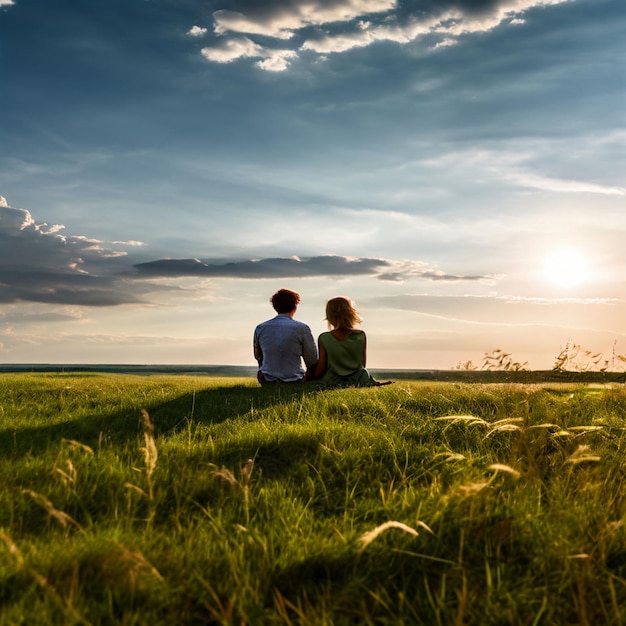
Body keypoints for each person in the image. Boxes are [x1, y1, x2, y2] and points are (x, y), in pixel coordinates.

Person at [313, 296, 391, 388]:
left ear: (329, 316)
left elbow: (321, 368)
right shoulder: (361, 335)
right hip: (360, 379)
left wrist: (310, 376)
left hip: (333, 379)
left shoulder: (324, 338)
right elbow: (362, 364)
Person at [253, 289, 318, 385]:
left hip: (268, 380)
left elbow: (258, 356)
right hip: (295, 380)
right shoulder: (302, 328)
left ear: (275, 307)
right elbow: (311, 360)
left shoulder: (260, 328)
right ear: (295, 306)